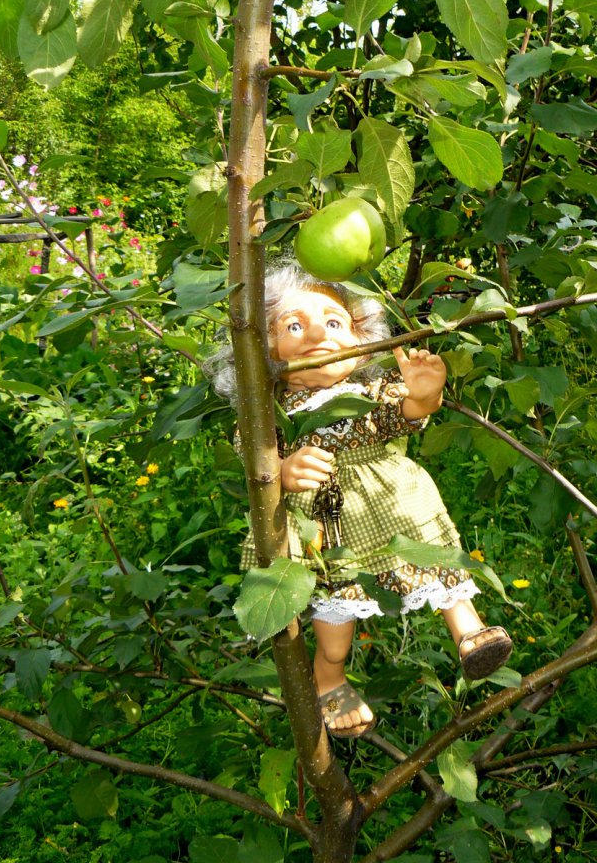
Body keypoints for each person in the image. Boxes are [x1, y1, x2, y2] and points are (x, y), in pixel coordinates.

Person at [207, 260, 512, 739]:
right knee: (336, 619)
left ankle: (469, 631)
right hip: (323, 528)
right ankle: (329, 676)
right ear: (265, 349)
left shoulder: (369, 390)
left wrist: (425, 396)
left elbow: (401, 415)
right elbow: (254, 459)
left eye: (334, 322)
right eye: (293, 325)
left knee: (435, 558)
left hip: (392, 502)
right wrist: (283, 472)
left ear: (361, 337)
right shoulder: (270, 413)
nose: (317, 335)